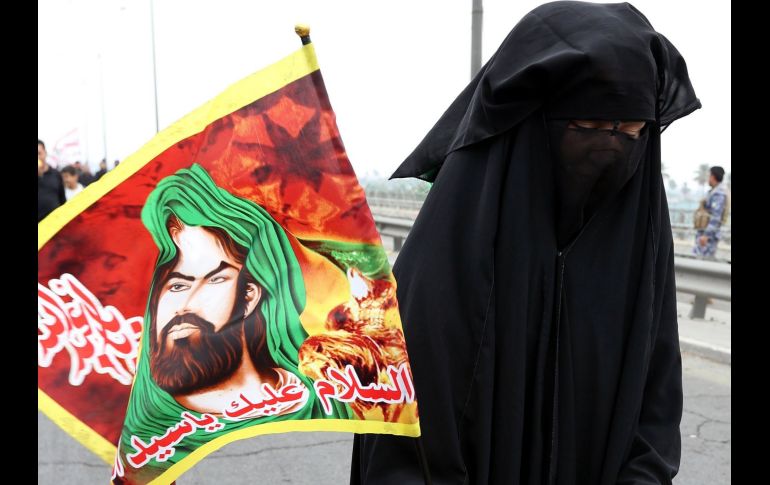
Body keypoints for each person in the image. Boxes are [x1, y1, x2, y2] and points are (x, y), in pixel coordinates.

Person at [351, 2, 700, 484]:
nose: (611, 145)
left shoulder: (636, 230)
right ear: (533, 125)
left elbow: (658, 389)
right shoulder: (458, 237)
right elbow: (403, 419)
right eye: (589, 129)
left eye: (631, 131)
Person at [693, 166, 730, 259]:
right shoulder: (713, 191)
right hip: (704, 234)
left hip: (708, 237)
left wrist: (706, 235)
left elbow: (716, 217)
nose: (707, 178)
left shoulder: (719, 194)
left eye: (709, 175)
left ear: (713, 176)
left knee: (702, 262)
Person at [38, 139, 66, 221]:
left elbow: (62, 199)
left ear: (45, 153)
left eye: (39, 153)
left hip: (54, 224)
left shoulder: (56, 174)